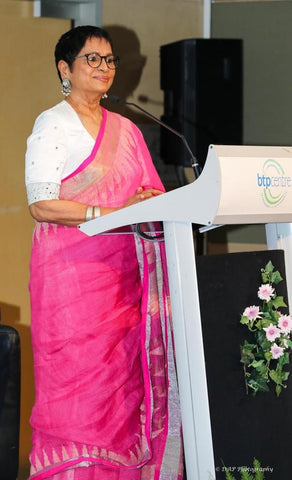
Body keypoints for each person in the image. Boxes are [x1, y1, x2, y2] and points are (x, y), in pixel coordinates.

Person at [25, 25, 183, 480]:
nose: (104, 68)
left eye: (109, 60)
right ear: (65, 69)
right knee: (79, 397)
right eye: (92, 59)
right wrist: (111, 209)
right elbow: (41, 204)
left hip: (124, 282)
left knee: (123, 388)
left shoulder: (128, 129)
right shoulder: (52, 123)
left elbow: (152, 194)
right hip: (71, 281)